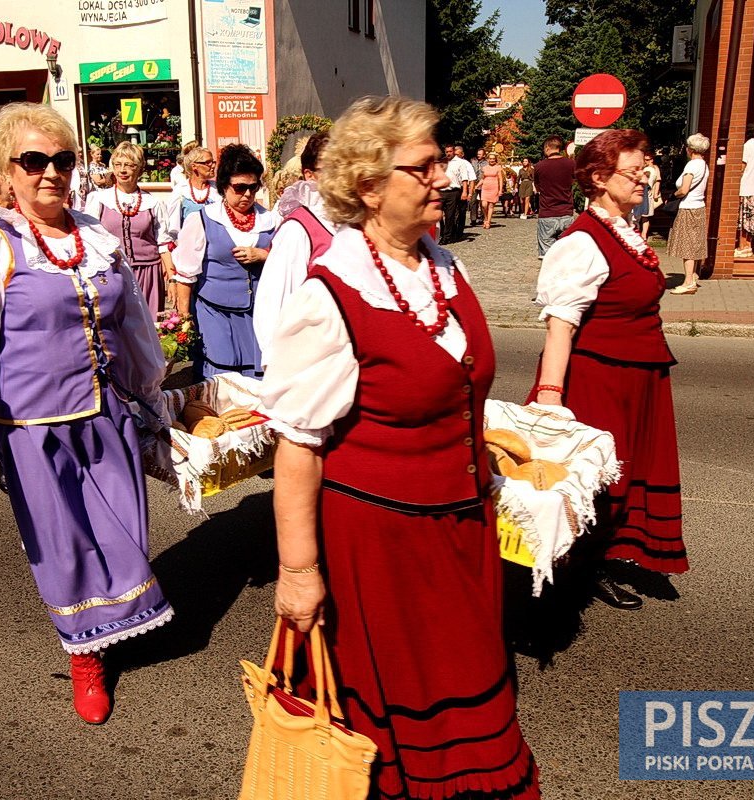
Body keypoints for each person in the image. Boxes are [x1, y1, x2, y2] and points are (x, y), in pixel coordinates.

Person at [262, 95, 542, 800]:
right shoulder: (333, 294)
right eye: (425, 166)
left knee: (471, 680)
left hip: (461, 528)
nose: (444, 176)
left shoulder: (446, 269)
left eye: (442, 160)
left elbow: (452, 388)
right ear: (369, 185)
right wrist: (299, 573)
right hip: (381, 542)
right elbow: (297, 444)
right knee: (397, 717)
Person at [0, 102, 172, 725]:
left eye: (61, 160)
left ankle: (114, 618)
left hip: (107, 416)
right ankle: (85, 657)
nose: (50, 173)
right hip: (37, 429)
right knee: (65, 547)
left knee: (124, 535)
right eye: (33, 161)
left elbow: (135, 327)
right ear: (5, 172)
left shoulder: (95, 237)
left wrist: (158, 401)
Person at [526, 129, 687, 611]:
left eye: (645, 169)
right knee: (596, 479)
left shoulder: (623, 231)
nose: (645, 178)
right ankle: (577, 570)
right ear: (598, 178)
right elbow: (560, 325)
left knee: (628, 471)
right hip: (599, 379)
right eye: (634, 172)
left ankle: (606, 552)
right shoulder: (580, 243)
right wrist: (551, 398)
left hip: (637, 375)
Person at [171, 144, 276, 379]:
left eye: (253, 187)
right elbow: (186, 274)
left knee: (258, 378)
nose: (247, 195)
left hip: (258, 313)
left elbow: (288, 263)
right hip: (214, 312)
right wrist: (184, 319)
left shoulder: (270, 220)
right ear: (224, 186)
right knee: (222, 377)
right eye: (239, 188)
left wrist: (264, 255)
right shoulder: (203, 219)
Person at [254, 132, 334, 360]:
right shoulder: (298, 230)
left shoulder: (356, 221)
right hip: (313, 358)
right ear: (310, 175)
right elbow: (274, 305)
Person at [84, 141, 173, 318]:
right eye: (118, 165)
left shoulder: (153, 203)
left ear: (139, 169)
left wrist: (172, 277)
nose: (122, 170)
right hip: (112, 271)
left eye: (129, 165)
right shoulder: (99, 199)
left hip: (148, 272)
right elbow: (89, 240)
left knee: (149, 326)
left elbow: (162, 242)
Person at [666, 133, 711, 295]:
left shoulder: (691, 166)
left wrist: (672, 195)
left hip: (688, 207)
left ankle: (688, 282)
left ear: (690, 149)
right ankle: (693, 276)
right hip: (699, 206)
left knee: (687, 245)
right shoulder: (704, 165)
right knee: (695, 242)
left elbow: (684, 189)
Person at [160, 146, 220, 251]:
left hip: (215, 248)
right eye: (207, 163)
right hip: (190, 249)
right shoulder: (181, 192)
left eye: (213, 162)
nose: (213, 166)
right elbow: (174, 229)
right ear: (194, 166)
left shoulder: (218, 190)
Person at [532, 135, 576, 264]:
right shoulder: (571, 164)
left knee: (546, 257)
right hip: (567, 213)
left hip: (547, 214)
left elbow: (538, 188)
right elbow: (575, 181)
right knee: (567, 255)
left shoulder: (539, 166)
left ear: (547, 148)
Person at [735, 123, 754, 258]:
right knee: (751, 218)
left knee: (743, 218)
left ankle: (742, 247)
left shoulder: (747, 146)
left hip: (745, 186)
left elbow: (742, 165)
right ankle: (748, 245)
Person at [637, 152, 661, 240]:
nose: (645, 161)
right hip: (641, 191)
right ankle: (637, 232)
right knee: (637, 215)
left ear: (652, 159)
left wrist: (656, 193)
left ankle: (644, 235)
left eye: (647, 160)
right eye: (644, 159)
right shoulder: (642, 168)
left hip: (648, 193)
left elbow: (658, 181)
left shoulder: (655, 168)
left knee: (646, 216)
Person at [477, 151, 503, 229]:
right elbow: (482, 179)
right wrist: (477, 185)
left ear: (495, 159)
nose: (492, 160)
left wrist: (500, 190)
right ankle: (485, 217)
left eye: (493, 159)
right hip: (485, 188)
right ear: (488, 159)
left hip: (494, 188)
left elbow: (500, 179)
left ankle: (488, 221)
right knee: (484, 205)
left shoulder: (498, 168)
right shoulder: (484, 168)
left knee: (491, 205)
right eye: (490, 159)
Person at [469, 147, 488, 226]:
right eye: (477, 154)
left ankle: (483, 218)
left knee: (483, 202)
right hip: (474, 183)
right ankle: (473, 219)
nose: (478, 155)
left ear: (484, 155)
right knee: (473, 201)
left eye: (480, 154)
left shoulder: (487, 163)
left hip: (483, 183)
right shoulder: (473, 161)